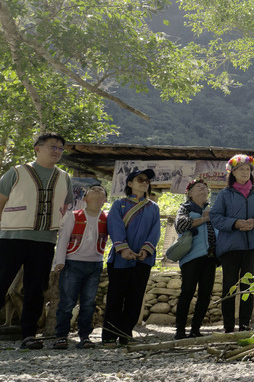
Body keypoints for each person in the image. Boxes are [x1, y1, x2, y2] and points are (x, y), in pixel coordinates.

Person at [0, 132, 73, 350]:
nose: (57, 151)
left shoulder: (64, 177)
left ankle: (29, 335)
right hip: (11, 238)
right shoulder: (16, 173)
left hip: (44, 241)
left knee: (35, 289)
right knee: (1, 283)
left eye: (60, 148)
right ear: (37, 148)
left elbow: (66, 209)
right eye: (52, 146)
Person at [210, 155, 254, 333]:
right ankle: (228, 327)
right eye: (240, 169)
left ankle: (244, 325)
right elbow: (215, 217)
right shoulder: (224, 194)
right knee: (229, 286)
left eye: (247, 169)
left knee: (248, 287)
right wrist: (234, 223)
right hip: (229, 247)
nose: (245, 172)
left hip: (252, 246)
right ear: (232, 172)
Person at [101, 169, 161, 346]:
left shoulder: (153, 207)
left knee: (135, 298)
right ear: (129, 184)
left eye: (147, 181)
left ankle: (126, 334)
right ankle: (110, 335)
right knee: (116, 297)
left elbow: (155, 231)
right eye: (140, 179)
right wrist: (123, 248)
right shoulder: (119, 205)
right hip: (121, 258)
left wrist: (146, 249)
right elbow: (114, 226)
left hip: (143, 258)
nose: (144, 182)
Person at [52, 184, 108, 349]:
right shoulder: (73, 216)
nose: (97, 192)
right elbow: (63, 239)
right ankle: (61, 336)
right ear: (85, 198)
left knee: (89, 303)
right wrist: (59, 261)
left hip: (95, 264)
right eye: (93, 190)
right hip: (73, 262)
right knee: (67, 302)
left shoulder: (107, 218)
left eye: (101, 191)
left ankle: (85, 336)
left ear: (105, 200)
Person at [173, 179, 218, 340]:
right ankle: (180, 331)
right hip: (191, 257)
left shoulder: (212, 209)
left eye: (204, 187)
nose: (202, 189)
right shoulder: (184, 208)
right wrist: (204, 219)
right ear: (190, 193)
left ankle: (195, 329)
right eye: (198, 187)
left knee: (205, 294)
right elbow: (181, 225)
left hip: (211, 257)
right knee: (187, 292)